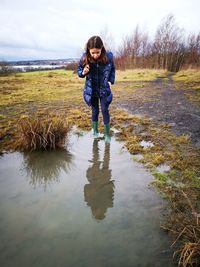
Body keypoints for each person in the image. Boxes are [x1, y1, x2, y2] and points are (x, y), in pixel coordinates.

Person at [77, 36, 115, 143]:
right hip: (92, 89)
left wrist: (110, 80)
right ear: (89, 50)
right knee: (95, 110)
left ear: (102, 48)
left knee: (104, 109)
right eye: (93, 52)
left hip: (103, 88)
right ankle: (95, 131)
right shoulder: (85, 58)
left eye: (97, 52)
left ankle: (107, 134)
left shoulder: (108, 57)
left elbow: (112, 69)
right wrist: (83, 72)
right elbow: (79, 69)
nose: (95, 55)